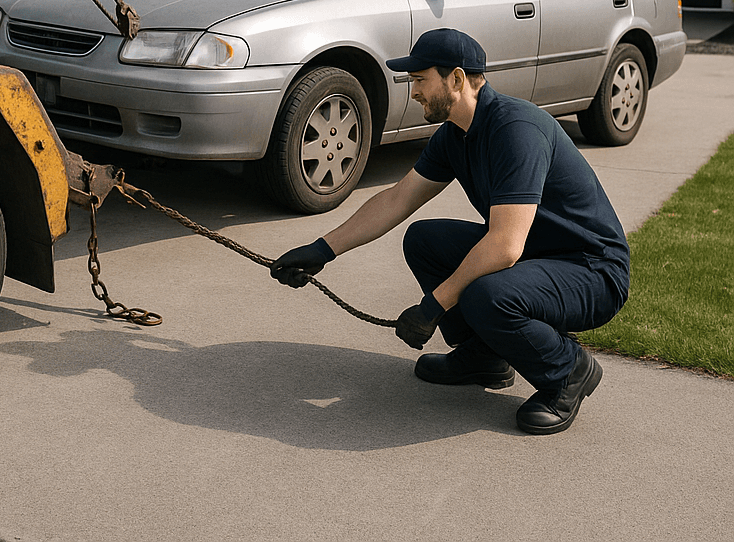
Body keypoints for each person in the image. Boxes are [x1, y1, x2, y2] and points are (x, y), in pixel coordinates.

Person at [270, 28, 630, 435]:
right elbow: (397, 199)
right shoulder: (455, 135)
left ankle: (567, 371)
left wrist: (432, 307)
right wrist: (322, 250)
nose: (414, 92)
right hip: (538, 257)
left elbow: (505, 247)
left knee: (486, 294)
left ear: (456, 80)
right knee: (425, 241)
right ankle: (484, 357)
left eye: (420, 80)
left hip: (591, 271)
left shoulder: (516, 130)